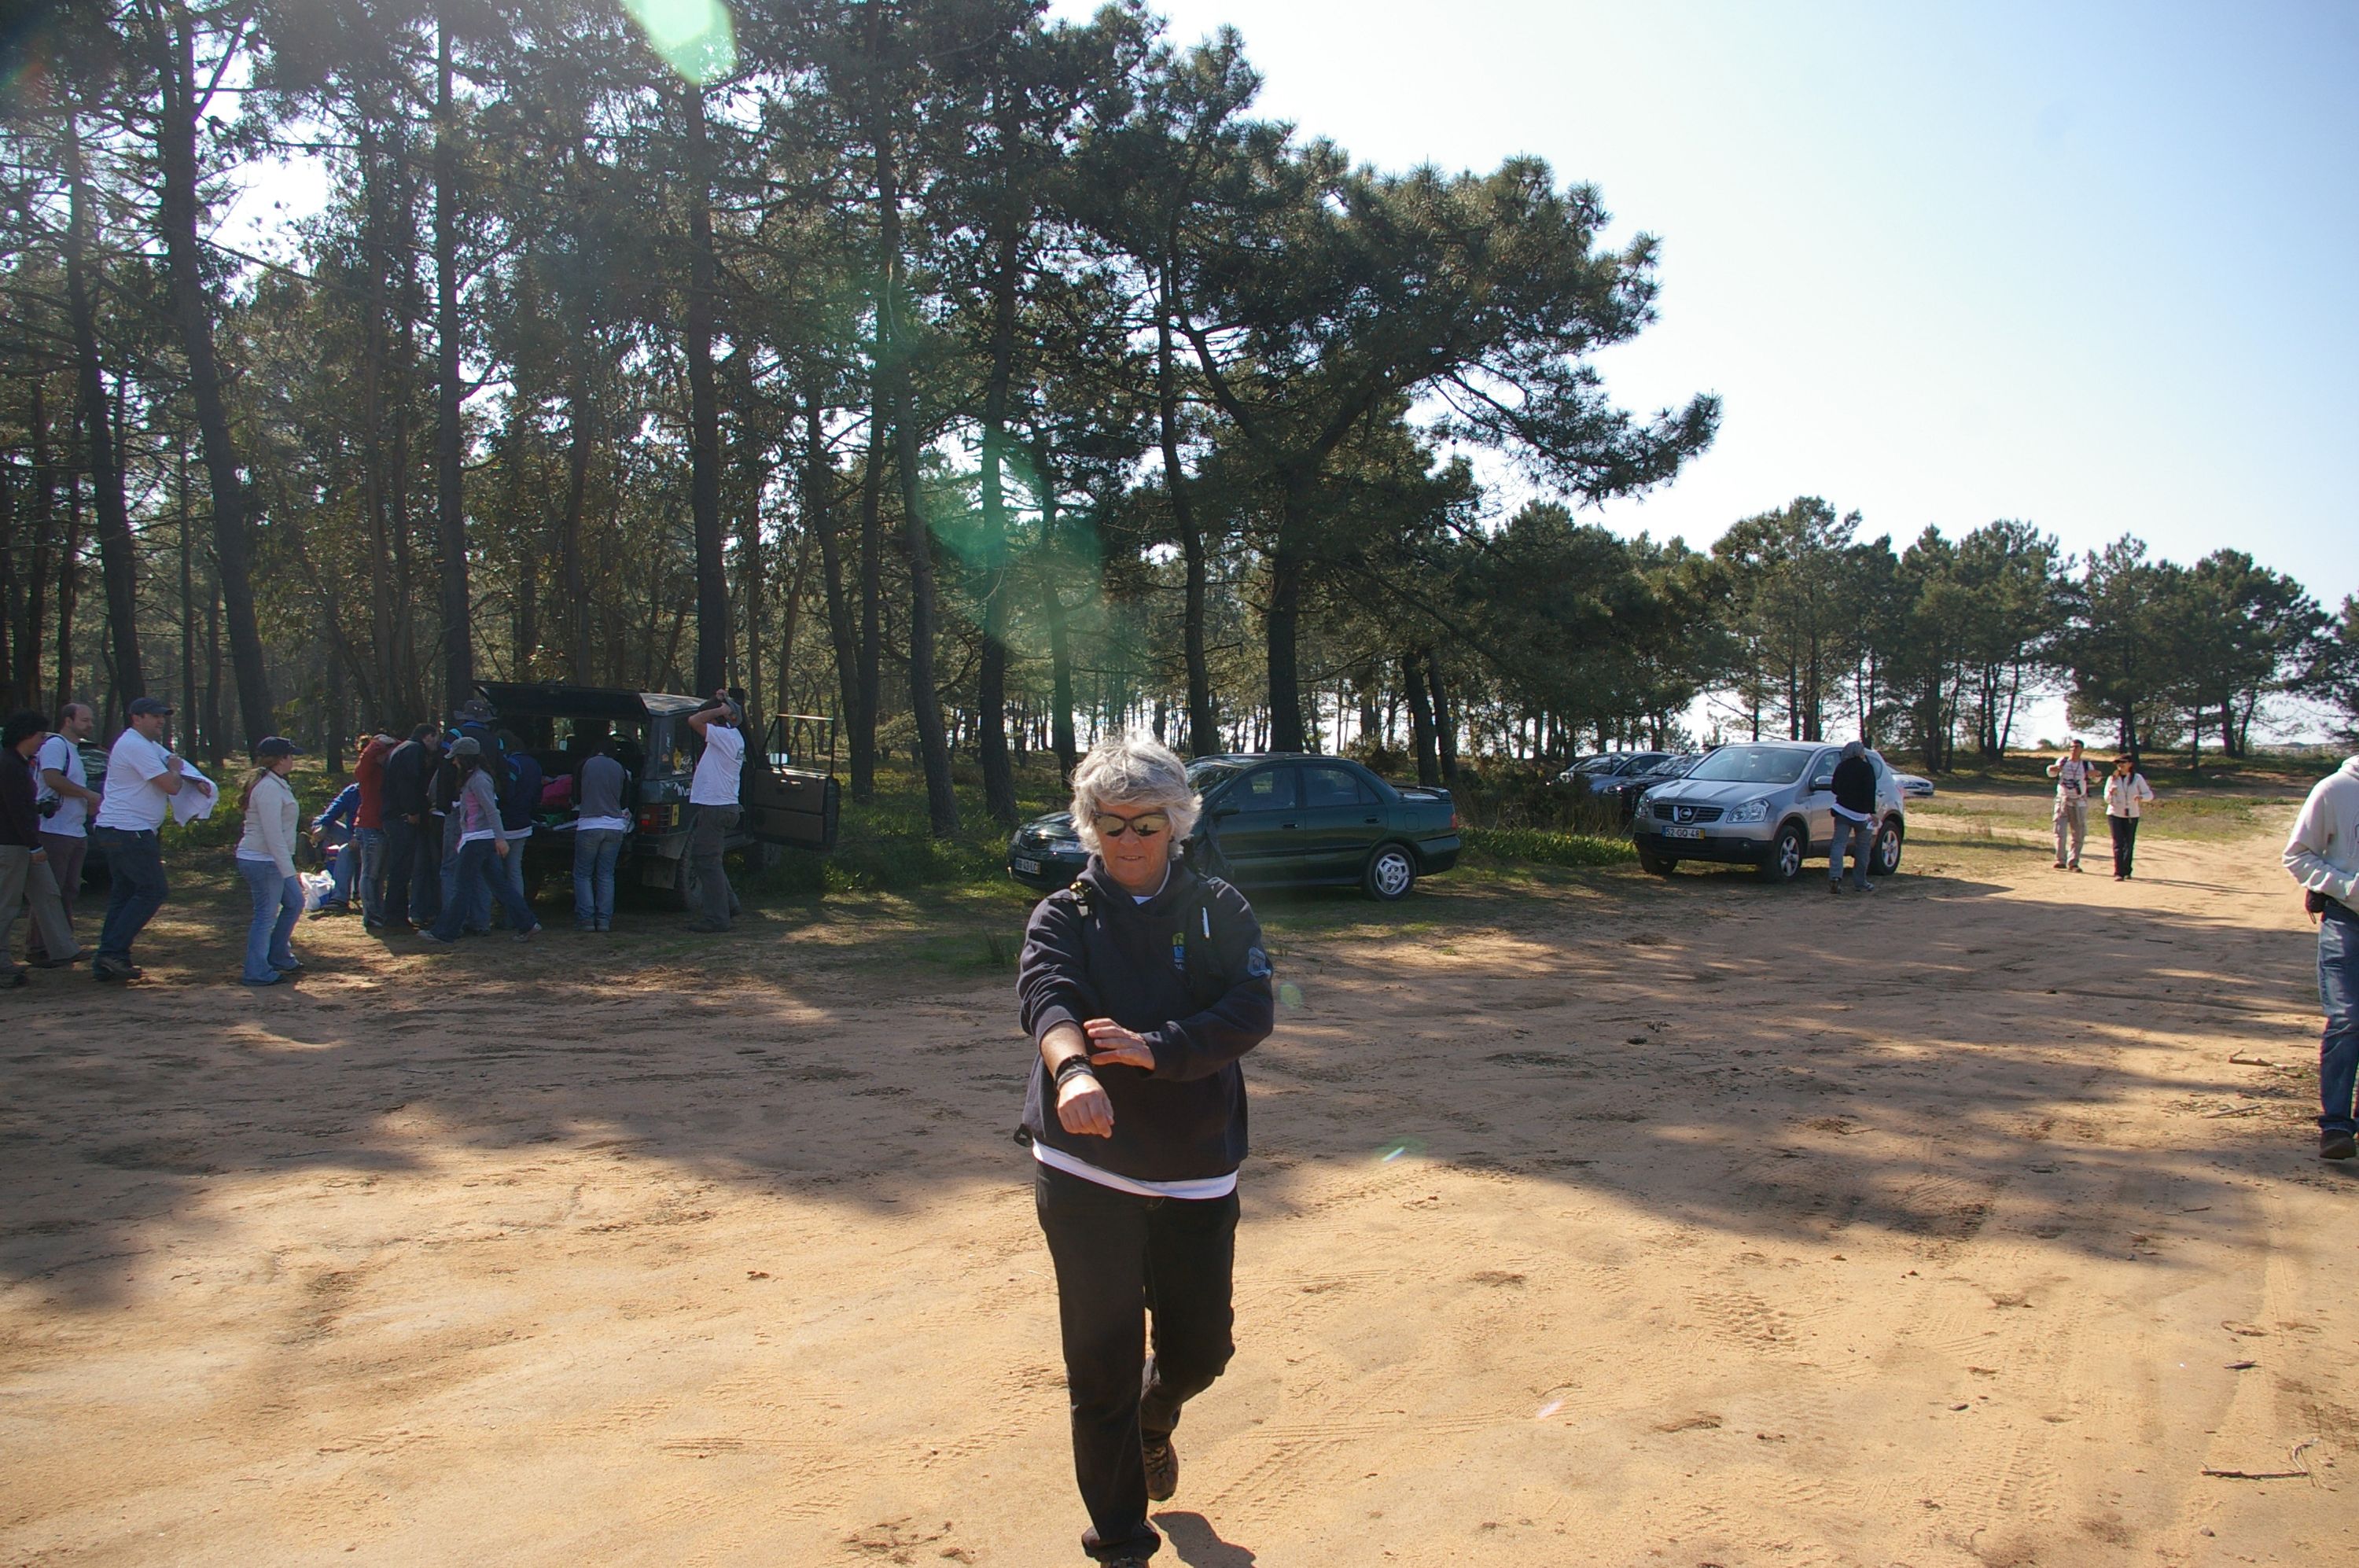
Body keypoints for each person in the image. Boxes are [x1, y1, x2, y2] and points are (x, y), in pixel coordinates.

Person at [1016, 735, 1275, 1567]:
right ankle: (1122, 1541)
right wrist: (1072, 1073)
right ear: (1089, 825)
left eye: (1147, 823)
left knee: (1202, 1350)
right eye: (1111, 822)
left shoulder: (1219, 908)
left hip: (1196, 1164)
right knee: (1101, 1365)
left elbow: (1251, 1008)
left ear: (1177, 823)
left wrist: (1157, 1048)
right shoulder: (1064, 914)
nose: (1128, 839)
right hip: (1085, 1166)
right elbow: (1048, 998)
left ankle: (1155, 1415)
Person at [89, 696, 215, 981]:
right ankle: (112, 952)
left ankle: (109, 959)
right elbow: (171, 784)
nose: (161, 721)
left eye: (163, 716)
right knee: (152, 890)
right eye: (154, 716)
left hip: (120, 829)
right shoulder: (135, 745)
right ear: (136, 718)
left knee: (124, 894)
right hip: (128, 830)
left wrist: (195, 780)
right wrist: (176, 770)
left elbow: (174, 765)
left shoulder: (147, 745)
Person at [2285, 753, 2359, 1161]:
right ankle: (2335, 1126)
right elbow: (2297, 855)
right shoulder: (2336, 789)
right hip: (2346, 919)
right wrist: (2347, 887)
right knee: (2347, 1018)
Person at [416, 737, 540, 945]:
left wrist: (501, 838)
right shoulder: (476, 778)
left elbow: (492, 811)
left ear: (465, 758)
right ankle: (527, 923)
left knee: (461, 887)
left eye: (456, 758)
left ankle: (445, 932)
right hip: (481, 839)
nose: (454, 762)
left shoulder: (478, 780)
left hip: (478, 840)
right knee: (499, 885)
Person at [2, 709, 81, 985]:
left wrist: (38, 809)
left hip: (24, 841)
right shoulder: (9, 765)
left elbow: (22, 807)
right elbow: (14, 810)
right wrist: (34, 846)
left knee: (48, 892)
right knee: (7, 904)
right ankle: (1, 961)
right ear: (26, 735)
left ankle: (63, 948)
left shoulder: (20, 763)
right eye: (39, 736)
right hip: (11, 845)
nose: (42, 742)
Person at [29, 701, 99, 965]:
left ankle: (63, 945)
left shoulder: (74, 750)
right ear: (68, 721)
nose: (90, 725)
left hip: (74, 830)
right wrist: (87, 794)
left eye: (91, 720)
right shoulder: (56, 746)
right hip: (54, 830)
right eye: (84, 720)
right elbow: (52, 778)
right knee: (51, 892)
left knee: (68, 890)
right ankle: (39, 947)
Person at [234, 738, 307, 985]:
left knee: (295, 902)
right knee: (265, 916)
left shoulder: (276, 784)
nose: (292, 760)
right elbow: (272, 833)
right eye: (290, 756)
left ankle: (278, 955)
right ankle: (256, 971)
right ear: (280, 760)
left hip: (271, 859)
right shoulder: (269, 788)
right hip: (263, 860)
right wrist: (288, 870)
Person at [683, 690, 744, 933]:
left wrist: (720, 710)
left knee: (706, 861)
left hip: (716, 806)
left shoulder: (724, 736)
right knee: (711, 860)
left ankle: (717, 919)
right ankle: (729, 905)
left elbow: (694, 720)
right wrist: (719, 701)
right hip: (725, 805)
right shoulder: (733, 737)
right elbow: (701, 715)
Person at [381, 723, 438, 931]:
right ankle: (394, 917)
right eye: (435, 738)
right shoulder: (414, 751)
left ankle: (396, 915)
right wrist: (413, 811)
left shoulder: (402, 748)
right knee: (401, 867)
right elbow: (409, 783)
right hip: (402, 817)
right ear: (428, 736)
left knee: (400, 867)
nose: (436, 743)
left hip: (394, 815)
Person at [572, 734, 630, 932]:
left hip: (589, 824)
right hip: (614, 826)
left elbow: (576, 796)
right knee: (606, 875)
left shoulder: (584, 765)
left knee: (583, 874)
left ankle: (586, 919)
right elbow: (625, 800)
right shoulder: (620, 768)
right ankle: (604, 920)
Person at [492, 731, 541, 927]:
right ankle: (517, 916)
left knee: (495, 873)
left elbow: (507, 792)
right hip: (524, 823)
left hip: (506, 824)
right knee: (515, 871)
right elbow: (538, 795)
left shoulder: (512, 764)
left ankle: (498, 914)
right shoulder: (534, 764)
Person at [351, 731, 396, 929]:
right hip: (369, 826)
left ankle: (379, 910)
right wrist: (377, 743)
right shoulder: (366, 771)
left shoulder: (384, 771)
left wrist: (392, 742)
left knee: (380, 875)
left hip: (383, 825)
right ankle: (370, 914)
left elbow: (402, 748)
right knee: (370, 873)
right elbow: (366, 760)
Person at [1827, 740, 1878, 894]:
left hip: (1842, 811)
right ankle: (1860, 883)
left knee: (1838, 845)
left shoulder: (1841, 767)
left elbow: (1834, 789)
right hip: (1862, 815)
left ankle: (1835, 877)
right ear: (1860, 753)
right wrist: (1872, 812)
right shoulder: (1866, 768)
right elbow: (1870, 791)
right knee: (1863, 849)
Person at [308, 777, 361, 916]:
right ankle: (316, 849)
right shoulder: (353, 791)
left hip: (373, 837)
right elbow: (333, 811)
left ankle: (340, 899)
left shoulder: (379, 790)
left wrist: (359, 836)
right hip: (352, 836)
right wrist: (322, 826)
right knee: (322, 822)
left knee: (345, 851)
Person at [2103, 754, 2157, 881]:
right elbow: (2106, 799)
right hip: (2115, 813)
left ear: (2130, 764)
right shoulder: (2112, 779)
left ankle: (2127, 870)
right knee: (2118, 843)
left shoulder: (2137, 778)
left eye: (2123, 762)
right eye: (2118, 763)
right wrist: (2111, 793)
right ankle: (2118, 872)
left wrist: (2141, 797)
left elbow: (2149, 795)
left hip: (2132, 814)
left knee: (2129, 843)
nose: (2120, 765)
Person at [2046, 739, 2097, 871]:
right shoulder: (2063, 761)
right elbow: (2051, 773)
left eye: (2077, 747)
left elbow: (2096, 778)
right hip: (2062, 801)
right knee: (2060, 831)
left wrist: (2096, 775)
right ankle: (2060, 860)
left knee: (2078, 833)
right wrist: (2052, 769)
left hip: (2079, 802)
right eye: (2072, 747)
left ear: (2082, 749)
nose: (2074, 749)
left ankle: (2073, 862)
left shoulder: (2086, 764)